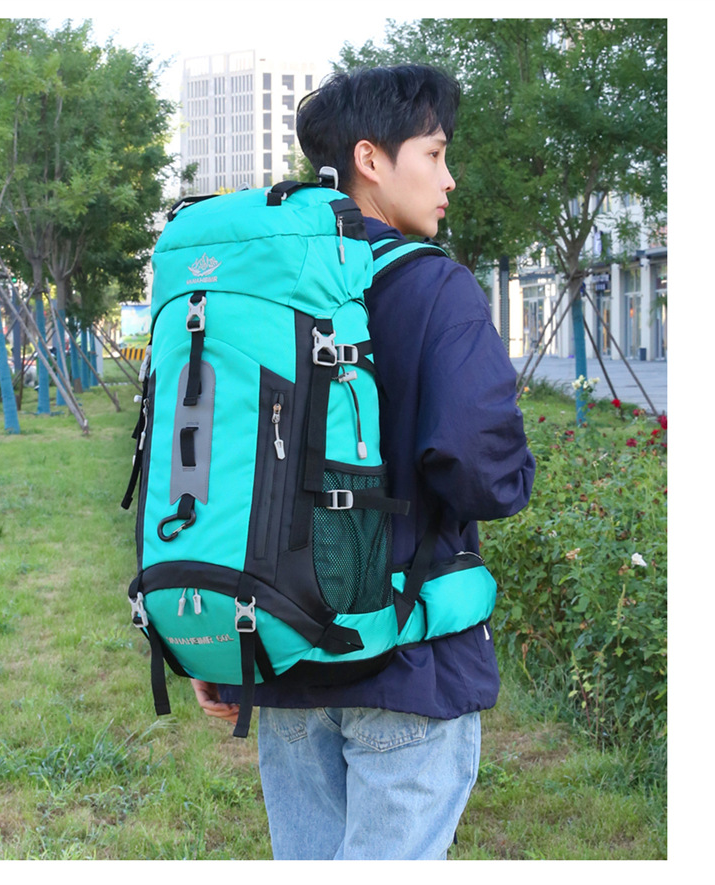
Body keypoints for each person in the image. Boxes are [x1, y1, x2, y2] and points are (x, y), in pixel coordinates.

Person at [191, 64, 536, 861]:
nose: (449, 179)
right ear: (370, 158)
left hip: (282, 654)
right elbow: (482, 471)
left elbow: (226, 465)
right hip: (406, 665)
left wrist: (222, 643)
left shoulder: (265, 290)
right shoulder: (435, 288)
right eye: (435, 154)